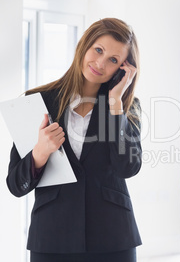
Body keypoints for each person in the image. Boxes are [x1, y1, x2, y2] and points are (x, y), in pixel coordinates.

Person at [6, 18, 142, 262]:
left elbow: (127, 167)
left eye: (113, 60)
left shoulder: (124, 107)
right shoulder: (35, 101)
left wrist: (115, 104)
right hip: (52, 237)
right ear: (84, 44)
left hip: (112, 237)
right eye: (98, 50)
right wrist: (40, 152)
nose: (100, 63)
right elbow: (16, 185)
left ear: (123, 69)